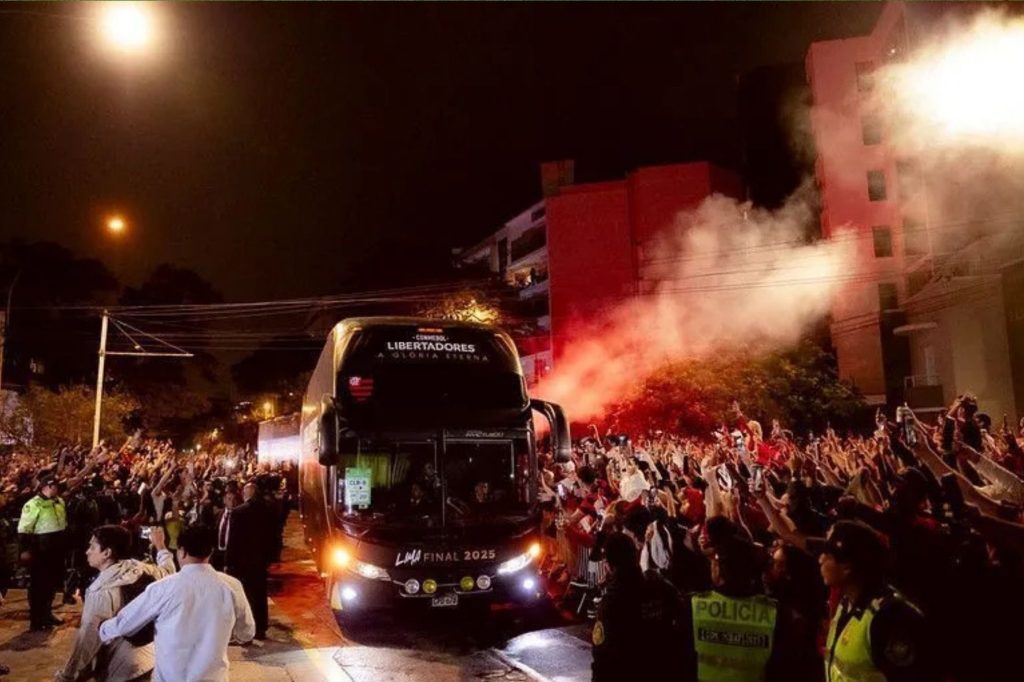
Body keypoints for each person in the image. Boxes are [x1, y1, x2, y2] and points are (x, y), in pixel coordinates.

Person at [98, 525, 255, 682]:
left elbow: (126, 622)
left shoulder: (163, 588)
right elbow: (247, 632)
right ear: (210, 552)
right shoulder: (232, 585)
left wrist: (103, 628)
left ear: (182, 552)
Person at [810, 520, 933, 682]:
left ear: (846, 567)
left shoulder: (888, 617)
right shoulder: (847, 602)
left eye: (827, 556)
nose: (820, 560)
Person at [55, 525, 176, 682]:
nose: (87, 552)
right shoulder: (144, 569)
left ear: (107, 553)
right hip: (150, 659)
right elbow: (169, 572)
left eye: (92, 547)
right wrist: (160, 546)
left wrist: (67, 676)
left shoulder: (101, 590)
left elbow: (88, 639)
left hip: (121, 668)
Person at [591, 532, 684, 681]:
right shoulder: (660, 586)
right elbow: (680, 618)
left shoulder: (612, 601)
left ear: (608, 565)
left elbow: (602, 657)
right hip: (662, 670)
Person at [18, 475, 68, 630]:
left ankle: (47, 613)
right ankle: (36, 619)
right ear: (49, 486)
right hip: (40, 548)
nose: (58, 489)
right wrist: (25, 550)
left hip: (57, 546)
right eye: (56, 486)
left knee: (52, 583)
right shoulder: (33, 504)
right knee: (38, 584)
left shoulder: (59, 501)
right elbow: (24, 529)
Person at [224, 482, 272, 641]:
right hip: (260, 560)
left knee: (246, 595)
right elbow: (272, 536)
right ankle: (261, 627)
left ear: (246, 494)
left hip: (242, 561)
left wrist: (229, 561)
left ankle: (247, 629)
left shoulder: (238, 512)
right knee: (260, 594)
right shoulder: (267, 510)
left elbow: (233, 540)